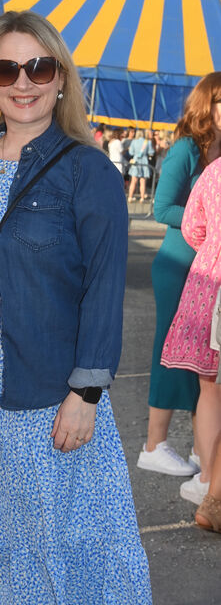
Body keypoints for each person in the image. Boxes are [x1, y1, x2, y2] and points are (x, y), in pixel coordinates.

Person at [0, 11, 152, 605]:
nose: (23, 83)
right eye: (6, 69)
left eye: (38, 67)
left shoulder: (86, 170)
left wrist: (87, 393)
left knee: (47, 551)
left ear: (59, 78)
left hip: (45, 398)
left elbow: (103, 288)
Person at [137, 73, 221, 477]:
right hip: (178, 264)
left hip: (208, 272)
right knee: (170, 354)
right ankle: (154, 443)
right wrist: (205, 224)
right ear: (208, 104)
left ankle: (203, 453)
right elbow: (161, 207)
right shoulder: (188, 148)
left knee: (205, 363)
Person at [161, 153, 221, 506]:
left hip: (208, 281)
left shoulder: (213, 170)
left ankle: (209, 483)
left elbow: (192, 228)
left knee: (209, 390)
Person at [127, 128, 154, 202]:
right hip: (144, 162)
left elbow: (131, 153)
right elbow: (151, 152)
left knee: (133, 181)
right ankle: (142, 198)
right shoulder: (147, 142)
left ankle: (130, 197)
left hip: (136, 161)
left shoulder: (134, 141)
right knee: (143, 181)